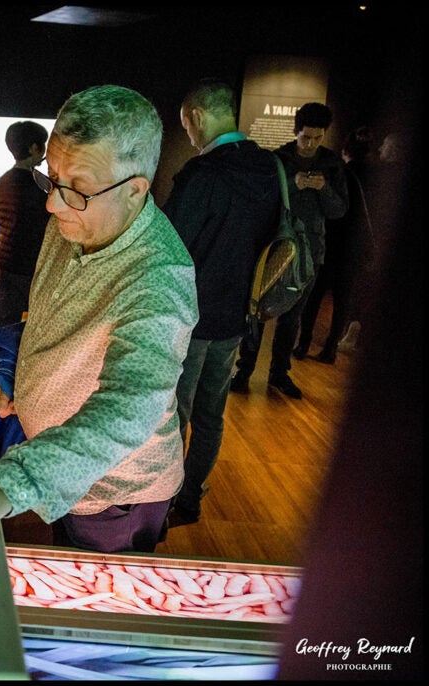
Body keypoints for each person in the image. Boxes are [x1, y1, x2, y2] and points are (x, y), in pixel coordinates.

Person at [0, 85, 198, 553]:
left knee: (94, 612)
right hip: (63, 480)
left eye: (76, 189)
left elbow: (130, 408)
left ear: (136, 189)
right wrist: (20, 373)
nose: (52, 204)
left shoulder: (160, 278)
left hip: (113, 496)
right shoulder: (73, 219)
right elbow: (45, 316)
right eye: (51, 178)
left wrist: (12, 482)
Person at [162, 79, 280, 526]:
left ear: (195, 117)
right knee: (212, 413)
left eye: (187, 126)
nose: (190, 137)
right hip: (236, 316)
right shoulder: (270, 168)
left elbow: (170, 245)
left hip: (189, 316)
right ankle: (190, 499)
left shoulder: (201, 174)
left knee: (176, 414)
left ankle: (164, 497)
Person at [230, 102, 348, 399]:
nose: (310, 144)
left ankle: (278, 374)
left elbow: (338, 211)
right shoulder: (278, 160)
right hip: (275, 247)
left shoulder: (332, 164)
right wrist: (295, 185)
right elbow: (262, 200)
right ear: (296, 131)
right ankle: (244, 370)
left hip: (310, 253)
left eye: (317, 138)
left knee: (292, 317)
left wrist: (323, 188)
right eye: (306, 137)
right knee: (257, 311)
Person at [299, 126, 376, 364]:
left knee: (315, 295)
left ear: (345, 148)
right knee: (343, 299)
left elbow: (334, 209)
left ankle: (303, 343)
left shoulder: (340, 172)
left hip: (333, 242)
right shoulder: (373, 176)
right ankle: (331, 347)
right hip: (354, 246)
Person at [0, 120, 50, 325]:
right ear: (34, 147)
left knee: (8, 323)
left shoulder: (4, 180)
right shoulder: (40, 185)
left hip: (4, 264)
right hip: (28, 269)